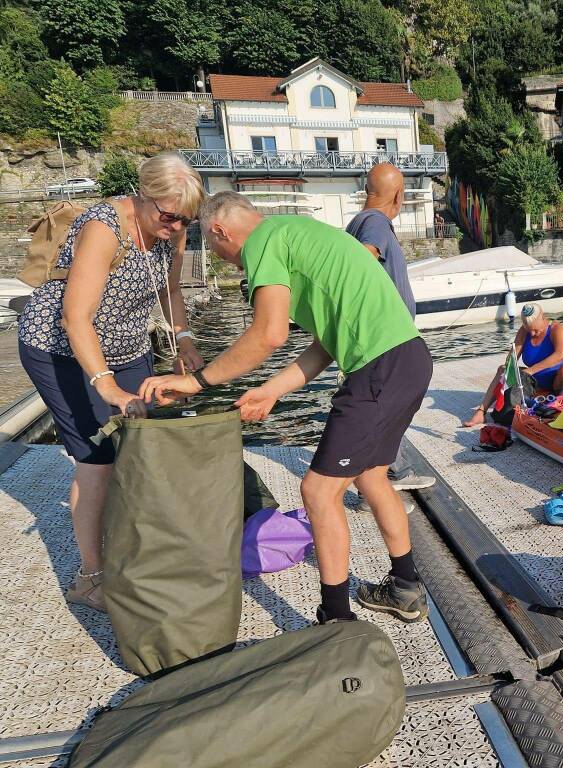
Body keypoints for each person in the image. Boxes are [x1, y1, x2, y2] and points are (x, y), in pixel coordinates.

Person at [138, 193, 433, 625]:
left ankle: (335, 617)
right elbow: (325, 346)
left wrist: (194, 382)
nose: (225, 262)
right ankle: (405, 588)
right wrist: (272, 390)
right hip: (408, 359)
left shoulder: (262, 242)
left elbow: (268, 333)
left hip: (379, 369)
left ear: (220, 231)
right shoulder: (299, 233)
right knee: (371, 476)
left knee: (317, 491)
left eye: (215, 249)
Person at [17, 151, 206, 613]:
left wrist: (182, 338)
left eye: (187, 220)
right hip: (60, 347)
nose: (178, 227)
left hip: (127, 346)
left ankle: (132, 545)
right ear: (143, 197)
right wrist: (105, 385)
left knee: (140, 441)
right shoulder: (104, 227)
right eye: (170, 217)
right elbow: (75, 317)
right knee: (98, 454)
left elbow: (171, 289)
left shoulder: (169, 230)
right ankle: (90, 577)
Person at [346, 163, 434, 501]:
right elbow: (362, 263)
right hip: (386, 339)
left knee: (383, 406)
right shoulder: (376, 224)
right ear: (398, 196)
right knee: (388, 407)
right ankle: (383, 480)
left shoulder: (358, 222)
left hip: (376, 337)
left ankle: (392, 471)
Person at [462, 303, 563, 427]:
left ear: (543, 317)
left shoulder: (557, 328)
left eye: (536, 330)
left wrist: (530, 371)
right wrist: (509, 367)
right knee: (503, 370)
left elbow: (560, 355)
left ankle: (559, 405)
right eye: (530, 330)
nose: (533, 333)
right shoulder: (524, 331)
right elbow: (512, 359)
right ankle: (481, 412)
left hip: (560, 379)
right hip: (538, 380)